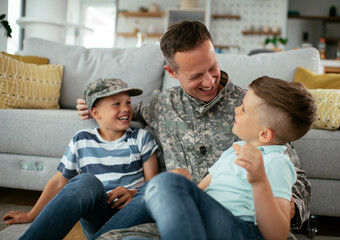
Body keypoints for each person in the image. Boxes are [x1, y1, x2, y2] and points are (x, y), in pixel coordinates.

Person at [76, 21, 311, 238]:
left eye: (213, 68)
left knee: (166, 185)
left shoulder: (252, 107)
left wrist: (284, 207)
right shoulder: (163, 105)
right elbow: (129, 110)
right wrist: (96, 105)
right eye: (196, 75)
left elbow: (289, 170)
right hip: (169, 212)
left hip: (230, 222)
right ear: (172, 73)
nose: (209, 81)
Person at [141, 75, 317, 240]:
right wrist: (184, 187)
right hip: (208, 220)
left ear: (264, 134)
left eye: (244, 110)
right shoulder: (233, 150)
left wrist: (259, 181)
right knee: (158, 191)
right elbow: (202, 190)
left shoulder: (276, 162)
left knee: (165, 183)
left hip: (241, 228)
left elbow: (277, 235)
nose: (236, 109)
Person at [2, 78, 159, 239]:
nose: (126, 108)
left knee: (158, 185)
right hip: (98, 216)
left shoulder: (141, 137)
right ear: (95, 112)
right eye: (116, 104)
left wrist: (134, 193)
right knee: (86, 181)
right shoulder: (82, 139)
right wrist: (32, 215)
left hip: (131, 215)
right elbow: (59, 181)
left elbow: (152, 186)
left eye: (127, 102)